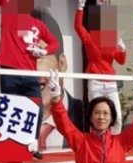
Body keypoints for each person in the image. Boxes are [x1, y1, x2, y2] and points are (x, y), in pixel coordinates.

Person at [0, 0, 59, 159]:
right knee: (11, 111)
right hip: (10, 72)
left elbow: (54, 42)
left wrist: (43, 52)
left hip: (30, 74)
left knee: (35, 110)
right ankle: (10, 147)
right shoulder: (9, 15)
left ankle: (32, 143)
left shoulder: (38, 25)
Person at [32, 7, 85, 151]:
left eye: (39, 58)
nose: (31, 70)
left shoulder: (87, 115)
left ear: (62, 64)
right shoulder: (6, 121)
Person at [75, 0, 127, 134]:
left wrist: (123, 49)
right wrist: (80, 7)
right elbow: (78, 27)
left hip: (110, 83)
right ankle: (97, 145)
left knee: (117, 118)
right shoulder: (89, 38)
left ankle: (114, 146)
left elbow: (121, 61)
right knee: (96, 118)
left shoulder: (110, 40)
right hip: (95, 83)